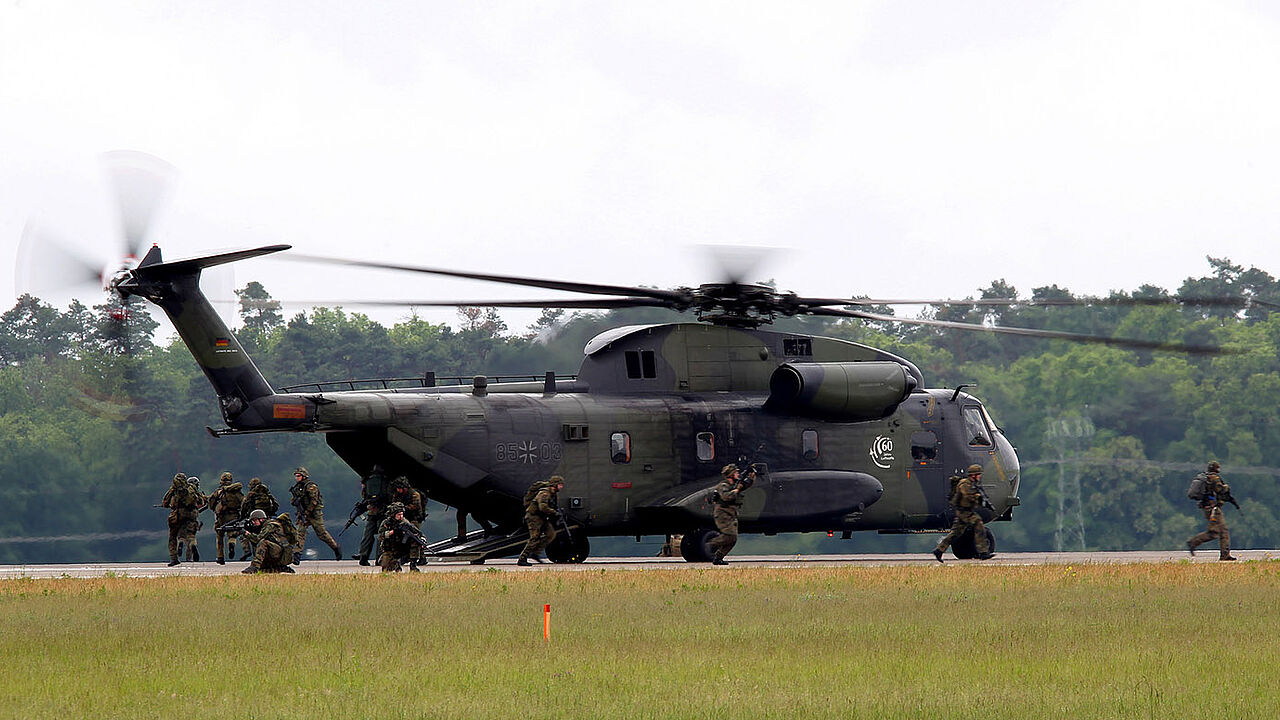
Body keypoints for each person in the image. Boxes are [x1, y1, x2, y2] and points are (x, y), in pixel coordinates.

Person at [933, 464, 994, 562]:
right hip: (963, 511)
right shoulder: (965, 484)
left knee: (956, 533)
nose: (980, 476)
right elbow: (968, 496)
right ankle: (983, 552)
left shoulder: (973, 484)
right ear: (973, 475)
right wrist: (979, 498)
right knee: (978, 523)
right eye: (978, 474)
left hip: (966, 511)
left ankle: (939, 550)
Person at [1187, 461, 1238, 561]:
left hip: (1206, 508)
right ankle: (1224, 555)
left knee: (1214, 532)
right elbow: (1220, 490)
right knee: (1222, 531)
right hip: (1213, 509)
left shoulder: (1205, 477)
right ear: (1216, 469)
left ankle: (1194, 542)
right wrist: (1226, 487)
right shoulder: (1214, 478)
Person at [289, 467, 342, 562]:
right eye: (296, 476)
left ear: (304, 476)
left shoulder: (311, 486)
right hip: (303, 513)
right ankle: (297, 555)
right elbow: (297, 499)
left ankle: (336, 547)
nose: (297, 478)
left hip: (314, 513)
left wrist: (308, 512)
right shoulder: (298, 487)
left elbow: (314, 501)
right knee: (300, 533)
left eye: (299, 476)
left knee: (321, 534)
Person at [709, 464, 754, 565]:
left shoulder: (734, 484)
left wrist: (750, 479)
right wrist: (737, 490)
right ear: (731, 475)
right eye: (736, 473)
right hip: (722, 514)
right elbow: (726, 497)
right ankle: (710, 544)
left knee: (733, 539)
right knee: (731, 536)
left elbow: (744, 486)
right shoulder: (723, 485)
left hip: (731, 514)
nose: (738, 474)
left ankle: (718, 558)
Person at [517, 476, 565, 566]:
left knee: (551, 534)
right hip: (534, 517)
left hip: (542, 518)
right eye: (560, 485)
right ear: (554, 485)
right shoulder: (544, 493)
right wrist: (554, 512)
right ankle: (522, 558)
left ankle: (535, 553)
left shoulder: (553, 493)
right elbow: (542, 507)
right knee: (534, 538)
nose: (561, 487)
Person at [160, 472, 202, 566]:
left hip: (177, 515)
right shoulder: (190, 488)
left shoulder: (173, 489)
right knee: (191, 535)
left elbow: (165, 502)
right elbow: (200, 500)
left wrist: (169, 505)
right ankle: (193, 545)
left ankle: (174, 559)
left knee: (173, 537)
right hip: (191, 515)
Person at [205, 471, 244, 565]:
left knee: (220, 537)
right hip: (234, 517)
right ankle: (232, 544)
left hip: (221, 518)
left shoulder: (219, 492)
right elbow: (243, 502)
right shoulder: (236, 492)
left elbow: (211, 504)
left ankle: (220, 557)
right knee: (232, 535)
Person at [241, 509, 296, 574]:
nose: (254, 523)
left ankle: (254, 566)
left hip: (281, 552)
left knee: (264, 542)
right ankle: (278, 568)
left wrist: (247, 534)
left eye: (255, 520)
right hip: (277, 551)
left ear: (261, 519)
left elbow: (258, 539)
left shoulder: (270, 525)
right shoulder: (265, 526)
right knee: (263, 570)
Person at [391, 477, 428, 570]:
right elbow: (393, 505)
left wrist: (403, 508)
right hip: (402, 519)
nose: (398, 490)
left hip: (413, 519)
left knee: (415, 538)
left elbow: (415, 506)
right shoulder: (397, 495)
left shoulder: (414, 495)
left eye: (399, 488)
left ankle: (417, 559)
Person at [239, 477, 279, 560]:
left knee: (247, 534)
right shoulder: (268, 495)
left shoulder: (250, 496)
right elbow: (275, 506)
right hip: (266, 520)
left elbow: (244, 507)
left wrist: (243, 517)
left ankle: (247, 550)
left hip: (254, 520)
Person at [357, 465, 388, 566]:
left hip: (371, 511)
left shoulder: (368, 481)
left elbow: (364, 496)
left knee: (368, 535)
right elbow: (389, 495)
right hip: (382, 511)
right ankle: (379, 557)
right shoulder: (385, 481)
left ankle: (363, 556)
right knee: (381, 535)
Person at [376, 502, 412, 573]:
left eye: (402, 514)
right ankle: (395, 564)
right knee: (385, 566)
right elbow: (380, 536)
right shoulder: (386, 523)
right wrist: (391, 532)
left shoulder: (405, 522)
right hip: (390, 549)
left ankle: (411, 565)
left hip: (402, 549)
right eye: (399, 515)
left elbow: (413, 532)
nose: (401, 516)